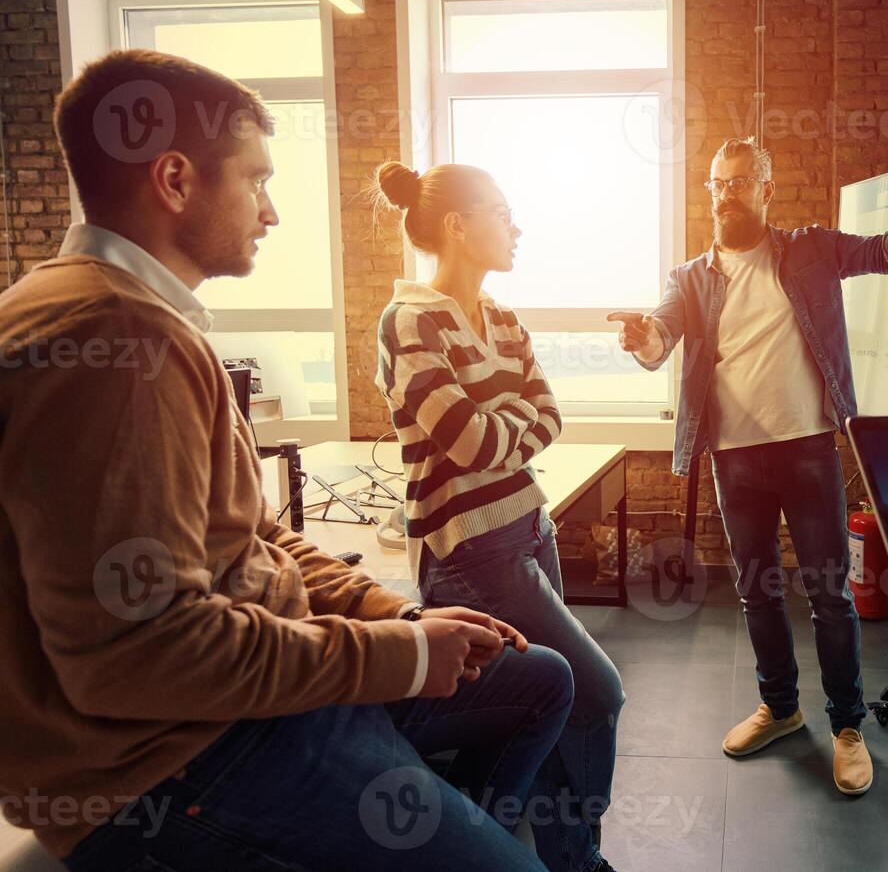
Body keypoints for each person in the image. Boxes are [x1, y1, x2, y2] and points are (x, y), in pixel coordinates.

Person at [0, 49, 576, 871]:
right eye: (256, 181)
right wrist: (399, 656)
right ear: (174, 180)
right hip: (179, 765)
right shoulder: (117, 341)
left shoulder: (122, 312)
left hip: (257, 691)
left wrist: (396, 617)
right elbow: (140, 661)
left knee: (539, 681)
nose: (270, 214)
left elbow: (256, 537)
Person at [609, 135, 888, 795]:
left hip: (809, 449)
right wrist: (641, 337)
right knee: (757, 591)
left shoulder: (811, 251)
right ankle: (781, 708)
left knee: (828, 592)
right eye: (717, 183)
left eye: (739, 181)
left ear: (766, 190)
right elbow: (659, 339)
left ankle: (848, 727)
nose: (726, 194)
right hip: (733, 460)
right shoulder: (691, 278)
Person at [374, 160, 623, 872]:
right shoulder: (409, 321)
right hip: (474, 557)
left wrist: (502, 419)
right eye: (503, 213)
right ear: (458, 225)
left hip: (530, 533)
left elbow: (550, 418)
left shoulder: (504, 320)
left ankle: (564, 855)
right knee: (597, 693)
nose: (517, 228)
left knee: (546, 710)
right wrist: (509, 417)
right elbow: (470, 441)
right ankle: (561, 856)